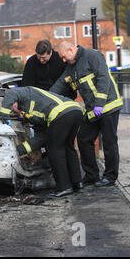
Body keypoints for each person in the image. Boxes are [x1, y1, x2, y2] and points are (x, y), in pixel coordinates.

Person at [50, 42, 123, 187]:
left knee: (109, 142)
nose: (64, 61)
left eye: (64, 57)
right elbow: (61, 84)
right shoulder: (72, 67)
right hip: (93, 111)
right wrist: (46, 97)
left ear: (71, 50)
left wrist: (100, 104)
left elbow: (103, 78)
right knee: (83, 139)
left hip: (108, 106)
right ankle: (92, 176)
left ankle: (110, 177)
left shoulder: (93, 56)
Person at [0, 86, 84, 197]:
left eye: (13, 108)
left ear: (14, 102)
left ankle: (64, 187)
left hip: (62, 114)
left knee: (55, 149)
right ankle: (77, 183)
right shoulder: (32, 117)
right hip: (75, 111)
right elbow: (42, 137)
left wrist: (4, 116)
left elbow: (12, 92)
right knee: (68, 147)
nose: (14, 111)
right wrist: (19, 150)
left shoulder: (25, 93)